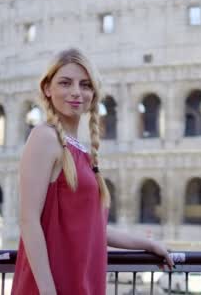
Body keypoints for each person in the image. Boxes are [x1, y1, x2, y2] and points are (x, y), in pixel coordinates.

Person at [11, 48, 174, 295]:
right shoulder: (44, 137)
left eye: (85, 85)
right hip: (53, 283)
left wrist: (149, 245)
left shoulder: (80, 149)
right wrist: (47, 291)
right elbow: (28, 219)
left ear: (93, 93)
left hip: (81, 279)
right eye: (65, 83)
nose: (76, 92)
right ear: (47, 88)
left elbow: (93, 227)